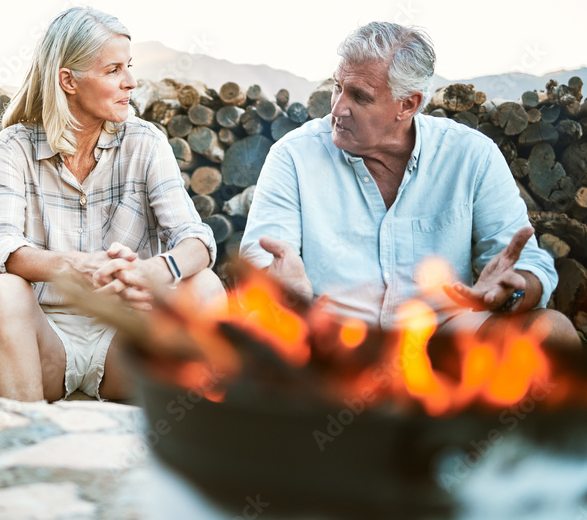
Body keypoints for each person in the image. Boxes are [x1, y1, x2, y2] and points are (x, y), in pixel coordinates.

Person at [239, 21, 578, 346]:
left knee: (553, 331)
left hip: (449, 342)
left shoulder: (471, 156)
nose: (338, 108)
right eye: (337, 87)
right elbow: (261, 260)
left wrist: (513, 292)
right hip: (331, 342)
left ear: (408, 104)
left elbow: (527, 268)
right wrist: (285, 294)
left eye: (359, 96)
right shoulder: (293, 156)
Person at [0, 7, 225, 407]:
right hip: (43, 338)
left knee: (206, 287)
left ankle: (184, 453)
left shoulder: (146, 142)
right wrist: (75, 266)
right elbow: (0, 248)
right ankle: (24, 448)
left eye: (129, 66)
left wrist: (155, 271)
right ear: (68, 81)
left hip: (125, 339)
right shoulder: (15, 146)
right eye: (113, 70)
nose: (131, 81)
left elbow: (196, 240)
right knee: (3, 290)